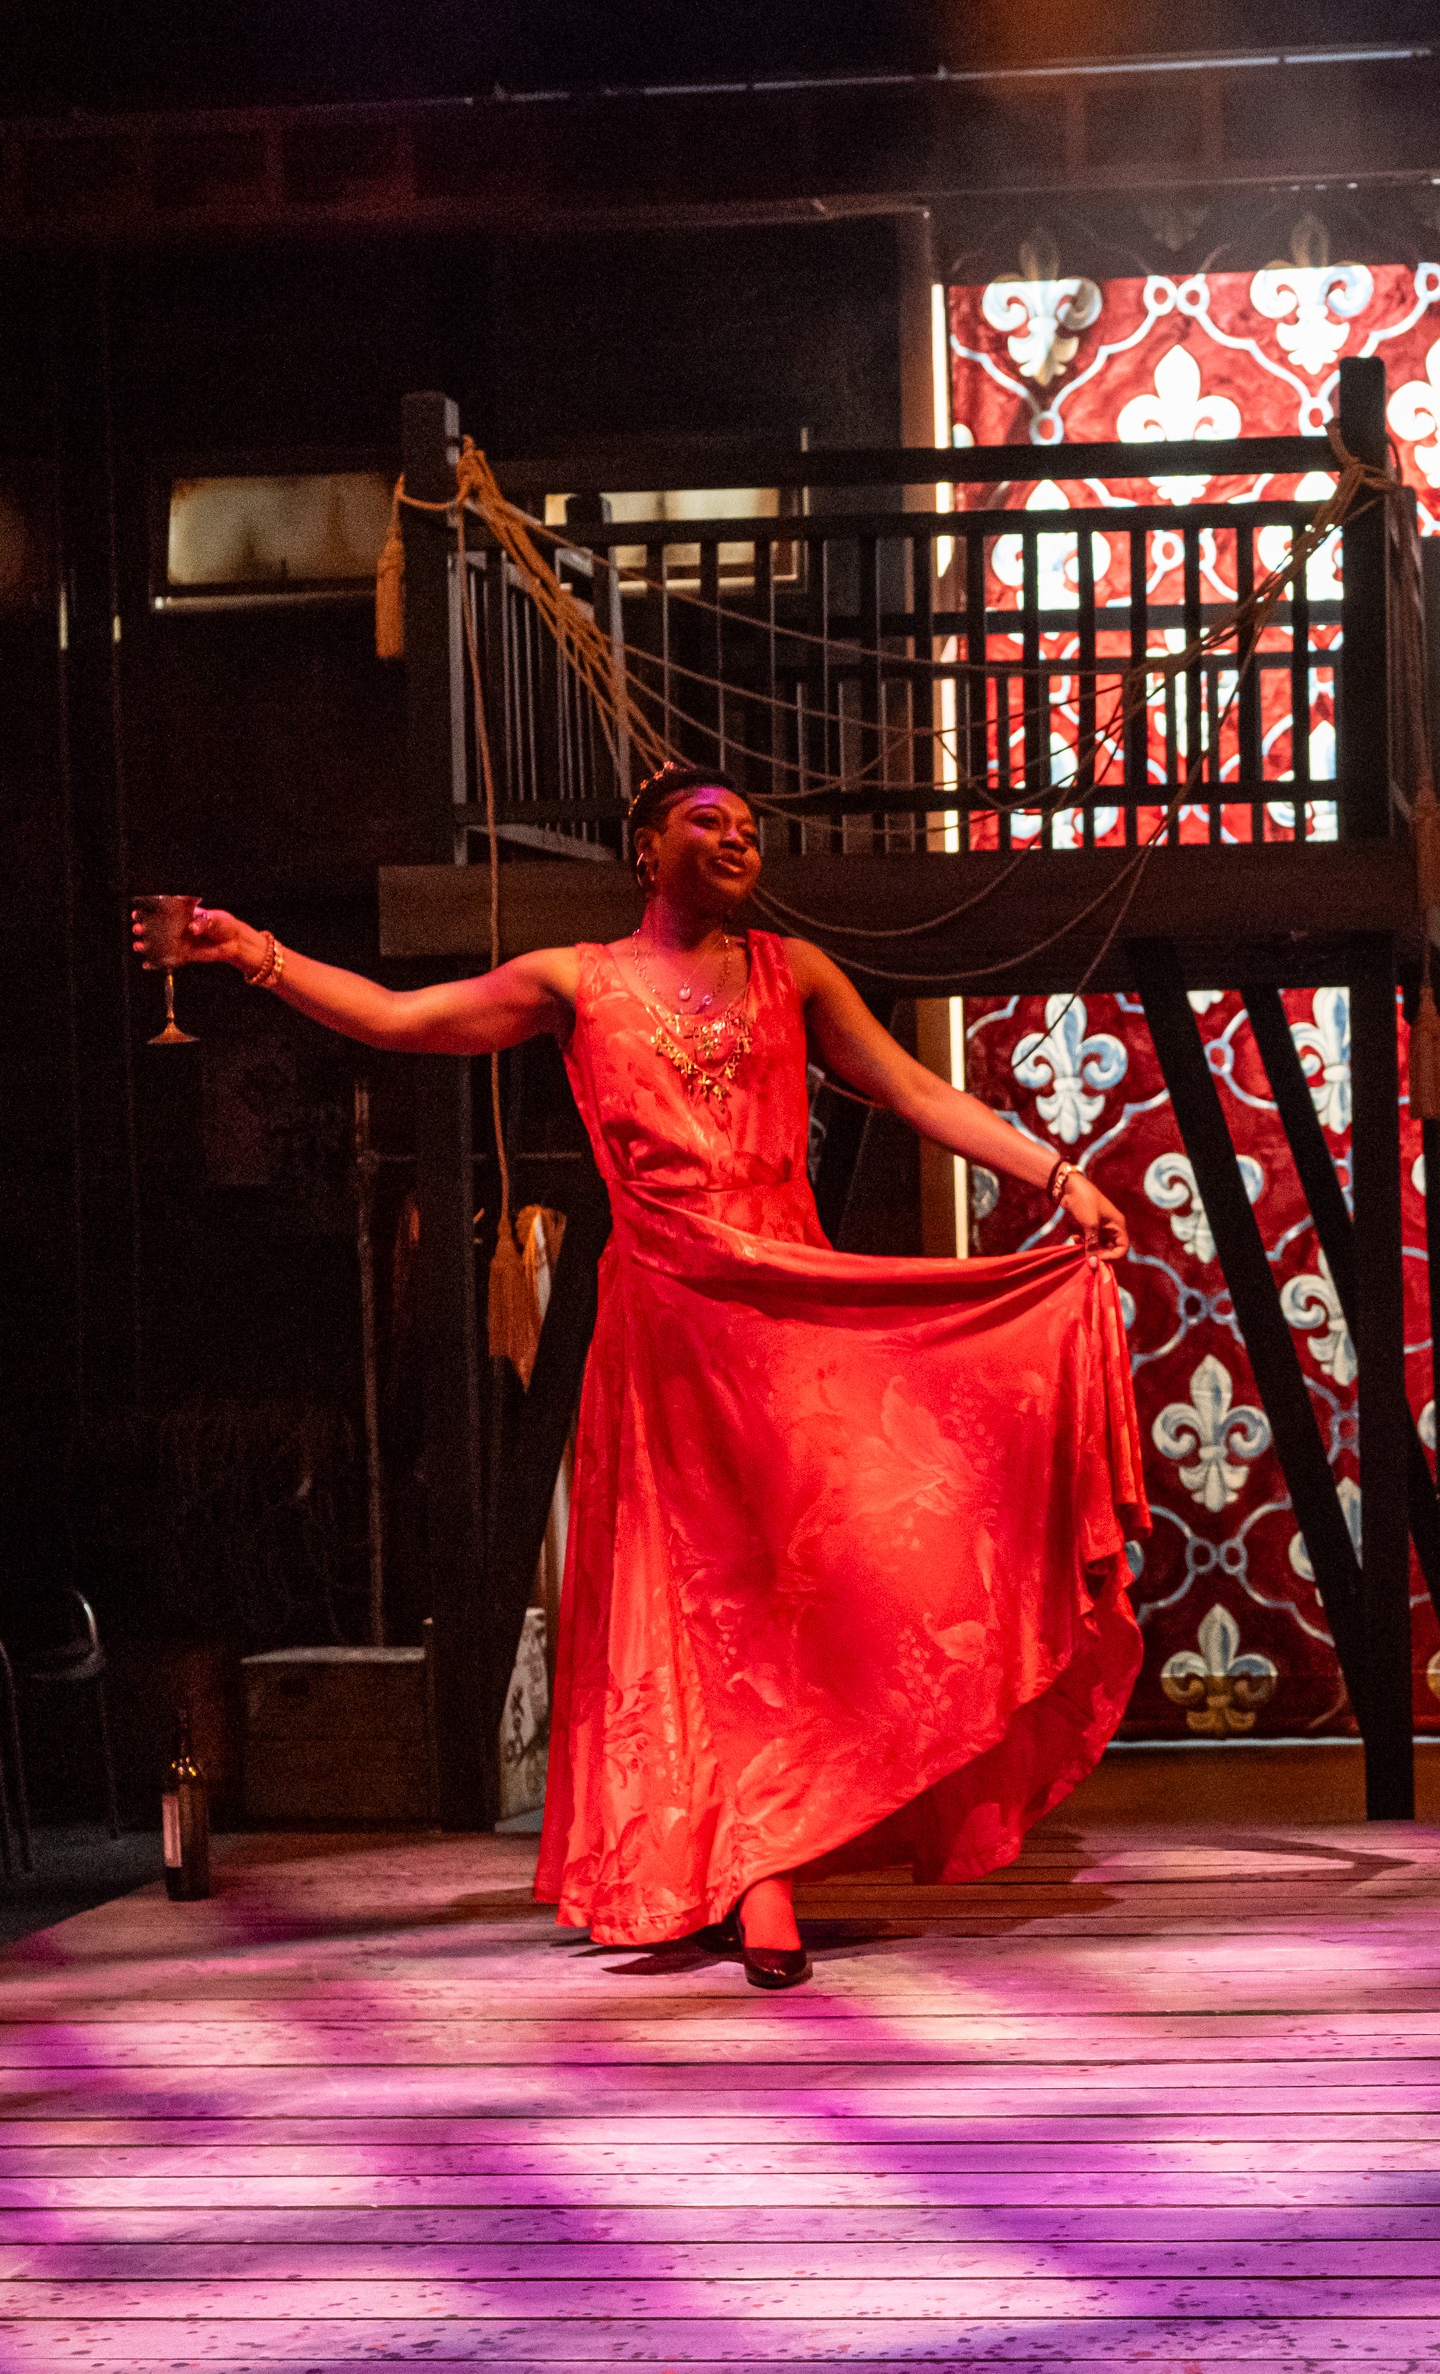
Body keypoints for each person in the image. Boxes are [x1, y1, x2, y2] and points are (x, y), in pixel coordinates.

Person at [132, 765, 1146, 1987]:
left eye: (749, 831)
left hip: (786, 1313)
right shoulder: (576, 979)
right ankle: (742, 1871)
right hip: (667, 1323)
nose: (735, 841)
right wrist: (257, 955)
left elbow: (914, 1088)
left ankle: (774, 1845)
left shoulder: (794, 972)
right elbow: (408, 1022)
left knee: (804, 1589)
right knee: (695, 1602)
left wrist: (1054, 1173)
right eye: (706, 823)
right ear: (643, 847)